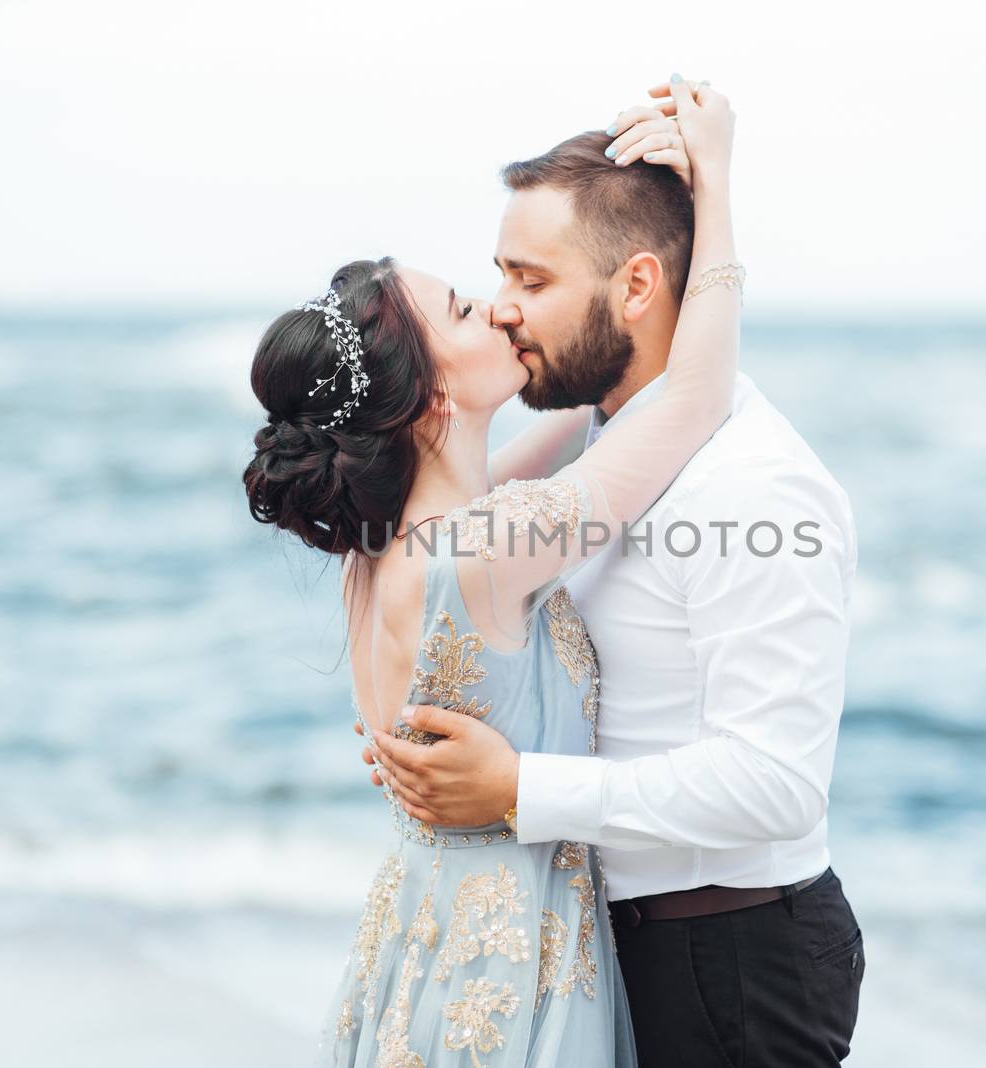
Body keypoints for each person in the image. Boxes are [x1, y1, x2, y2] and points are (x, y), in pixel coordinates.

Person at [366, 84, 864, 1066]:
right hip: (601, 952)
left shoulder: (751, 487)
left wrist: (518, 787)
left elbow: (776, 785)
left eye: (530, 279)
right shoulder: (590, 455)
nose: (502, 309)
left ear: (636, 287)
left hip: (725, 964)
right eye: (493, 277)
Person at [244, 78, 738, 1067]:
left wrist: (597, 318)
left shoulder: (385, 541)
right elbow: (693, 402)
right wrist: (716, 183)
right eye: (469, 307)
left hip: (417, 945)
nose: (504, 311)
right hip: (513, 970)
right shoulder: (489, 548)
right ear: (433, 397)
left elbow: (580, 429)